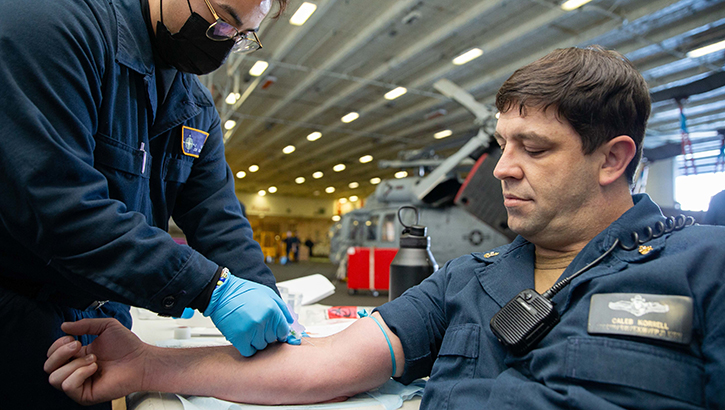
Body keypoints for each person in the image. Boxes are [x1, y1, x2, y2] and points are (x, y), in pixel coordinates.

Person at [45, 46, 725, 409]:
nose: (503, 171)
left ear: (613, 159)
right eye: (501, 145)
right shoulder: (469, 280)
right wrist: (148, 365)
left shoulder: (703, 268)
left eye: (535, 149)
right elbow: (319, 367)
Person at [0, 0, 294, 408]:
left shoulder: (194, 108)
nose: (225, 44)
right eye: (222, 21)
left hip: (98, 318)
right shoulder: (51, 27)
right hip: (15, 314)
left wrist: (261, 294)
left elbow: (218, 218)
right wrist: (211, 289)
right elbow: (57, 205)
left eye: (241, 35)